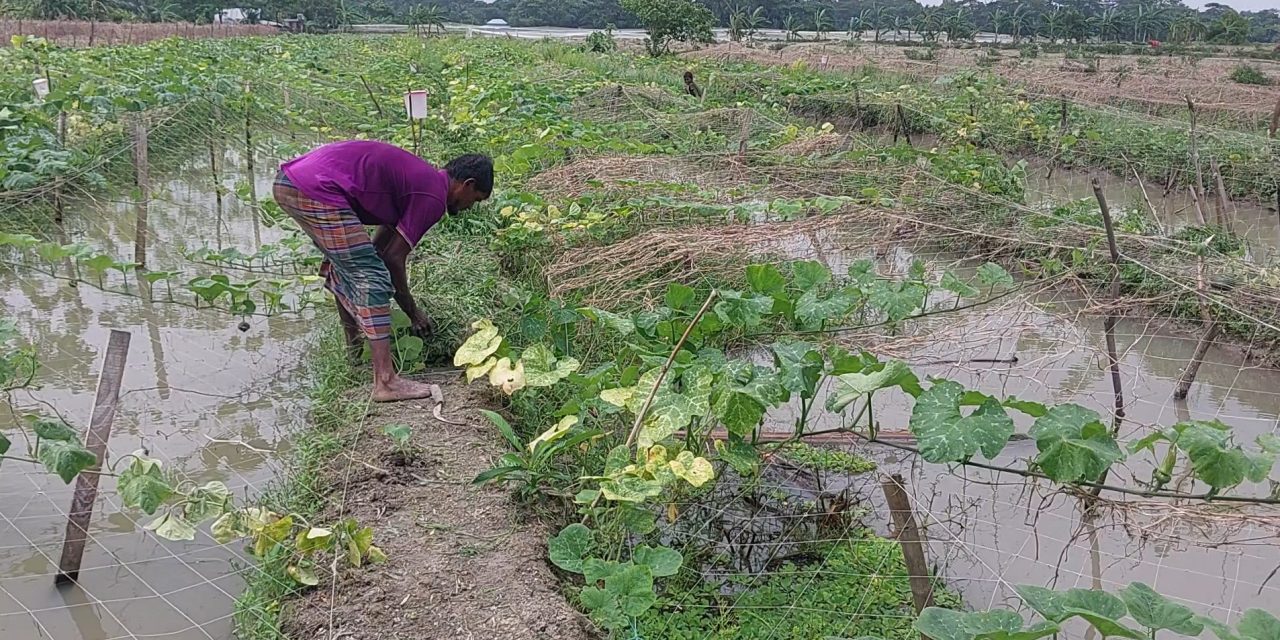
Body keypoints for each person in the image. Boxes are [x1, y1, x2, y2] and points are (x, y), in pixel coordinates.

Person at [274, 140, 492, 402]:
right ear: (466, 184)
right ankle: (386, 382)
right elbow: (393, 258)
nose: (471, 206)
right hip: (316, 187)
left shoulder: (418, 181)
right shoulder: (432, 195)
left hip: (293, 181)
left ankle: (355, 356)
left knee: (353, 268)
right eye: (475, 199)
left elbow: (381, 249)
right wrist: (413, 312)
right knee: (373, 278)